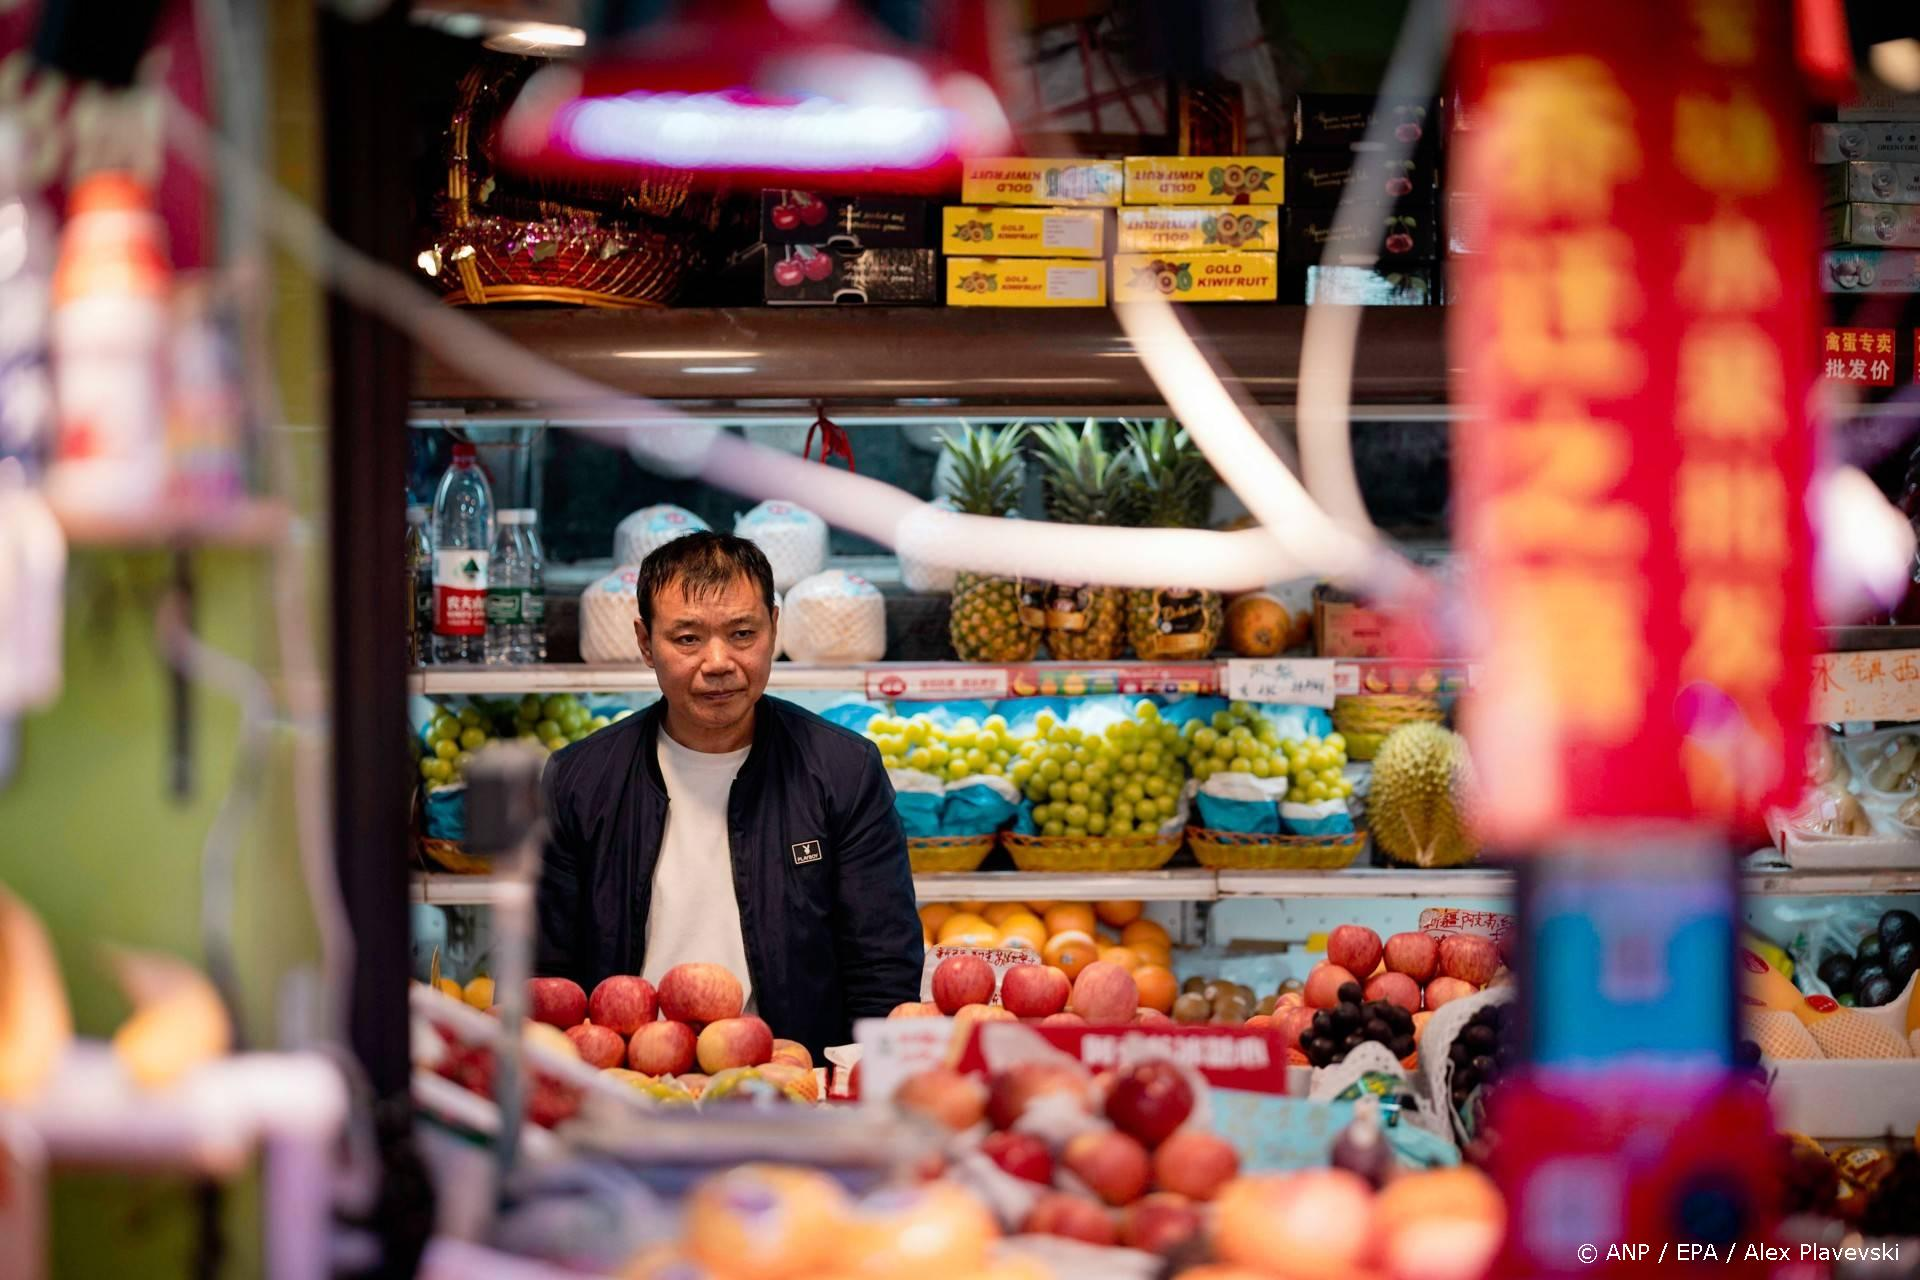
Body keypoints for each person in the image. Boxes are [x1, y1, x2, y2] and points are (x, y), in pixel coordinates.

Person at [535, 531, 922, 1054]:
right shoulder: (579, 781)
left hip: (792, 1075)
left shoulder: (844, 771)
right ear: (645, 643)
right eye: (687, 639)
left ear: (774, 628)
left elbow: (883, 970)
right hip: (623, 1076)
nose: (718, 662)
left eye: (742, 634)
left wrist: (853, 1082)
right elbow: (545, 978)